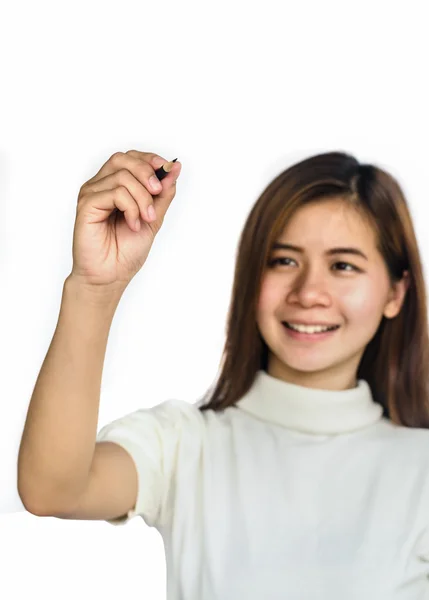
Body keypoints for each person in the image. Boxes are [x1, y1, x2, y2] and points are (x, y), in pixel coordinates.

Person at [17, 149, 429, 598]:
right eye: (283, 261)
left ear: (396, 291)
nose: (309, 292)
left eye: (343, 265)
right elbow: (52, 490)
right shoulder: (185, 445)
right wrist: (95, 288)